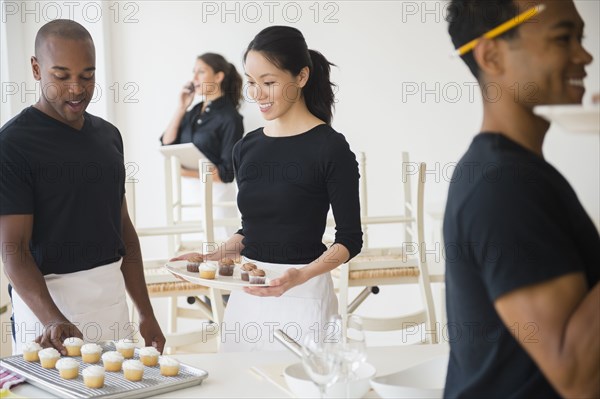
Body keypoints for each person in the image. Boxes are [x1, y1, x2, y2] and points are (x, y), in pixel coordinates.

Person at [174, 26, 363, 351]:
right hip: (247, 296)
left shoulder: (329, 147)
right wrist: (213, 256)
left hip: (303, 297)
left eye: (269, 82)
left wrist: (301, 275)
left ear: (301, 77)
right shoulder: (246, 147)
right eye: (251, 82)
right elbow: (252, 229)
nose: (257, 94)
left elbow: (350, 240)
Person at [444, 1, 599, 397]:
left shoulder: (512, 174)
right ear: (492, 55)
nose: (585, 55)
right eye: (564, 38)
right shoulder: (503, 187)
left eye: (580, 37)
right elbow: (578, 376)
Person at [0, 19, 165, 355]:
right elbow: (13, 250)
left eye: (87, 76)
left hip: (111, 303)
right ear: (36, 69)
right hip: (49, 311)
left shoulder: (108, 137)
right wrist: (52, 319)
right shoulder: (13, 144)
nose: (76, 88)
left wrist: (147, 313)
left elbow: (123, 230)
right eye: (61, 76)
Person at [161, 53, 244, 238]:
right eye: (194, 73)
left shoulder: (230, 118)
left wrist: (183, 172)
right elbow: (167, 142)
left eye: (201, 72)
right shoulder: (193, 112)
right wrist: (181, 107)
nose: (194, 79)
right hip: (189, 201)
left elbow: (227, 173)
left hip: (217, 201)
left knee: (220, 259)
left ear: (218, 76)